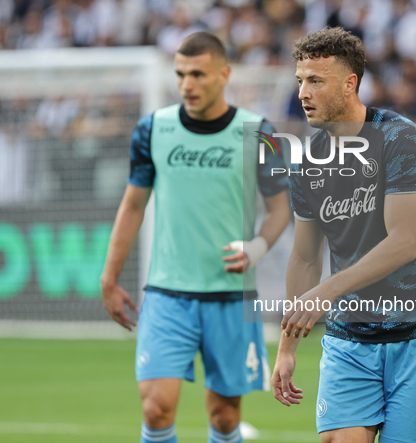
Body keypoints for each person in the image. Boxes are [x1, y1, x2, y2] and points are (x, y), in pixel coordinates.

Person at [271, 27, 416, 443]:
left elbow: (403, 242)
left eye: (316, 81)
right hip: (349, 334)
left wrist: (326, 291)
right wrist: (287, 348)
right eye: (300, 81)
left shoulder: (399, 138)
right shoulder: (307, 163)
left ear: (349, 83)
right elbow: (305, 258)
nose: (304, 92)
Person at [101, 32, 290, 443]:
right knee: (155, 408)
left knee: (224, 418)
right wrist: (109, 277)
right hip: (168, 294)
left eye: (198, 74)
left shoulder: (261, 132)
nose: (187, 84)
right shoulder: (152, 129)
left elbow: (281, 210)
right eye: (181, 74)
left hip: (230, 297)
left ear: (224, 74)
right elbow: (132, 206)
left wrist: (256, 248)